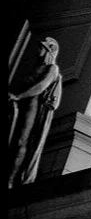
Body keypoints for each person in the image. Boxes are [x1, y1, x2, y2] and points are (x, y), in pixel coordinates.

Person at [8, 37, 62, 187]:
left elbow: (40, 87)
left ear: (49, 50)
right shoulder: (34, 67)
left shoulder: (52, 69)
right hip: (20, 104)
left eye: (42, 48)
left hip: (32, 106)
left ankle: (11, 180)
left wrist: (19, 96)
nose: (38, 50)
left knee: (21, 141)